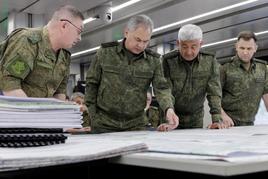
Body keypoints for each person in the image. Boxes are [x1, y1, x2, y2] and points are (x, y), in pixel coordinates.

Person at [85, 14, 178, 133]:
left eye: (146, 41)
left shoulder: (153, 61)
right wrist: (93, 116)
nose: (141, 45)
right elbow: (91, 84)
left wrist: (168, 109)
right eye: (138, 39)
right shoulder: (105, 53)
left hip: (135, 124)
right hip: (104, 123)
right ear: (126, 32)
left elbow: (162, 89)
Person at [0, 5, 84, 100]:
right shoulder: (27, 41)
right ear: (64, 25)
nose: (79, 38)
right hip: (14, 111)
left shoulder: (64, 56)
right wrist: (33, 113)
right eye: (79, 31)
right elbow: (8, 83)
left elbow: (60, 91)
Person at [162, 24, 225, 129]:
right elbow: (165, 91)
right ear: (178, 43)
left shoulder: (209, 61)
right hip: (171, 118)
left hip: (196, 119)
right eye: (184, 46)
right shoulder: (168, 61)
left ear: (201, 44)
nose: (189, 52)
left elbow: (214, 92)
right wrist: (168, 111)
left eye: (193, 47)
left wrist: (217, 119)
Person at [220, 31, 268, 126]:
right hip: (227, 124)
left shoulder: (262, 68)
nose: (245, 52)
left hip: (250, 124)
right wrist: (223, 116)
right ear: (236, 47)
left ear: (255, 48)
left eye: (249, 48)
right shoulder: (225, 68)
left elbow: (266, 95)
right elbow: (214, 97)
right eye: (242, 48)